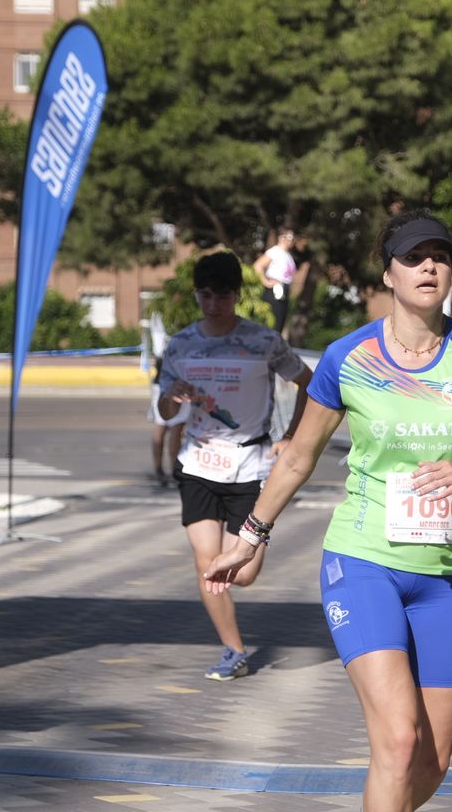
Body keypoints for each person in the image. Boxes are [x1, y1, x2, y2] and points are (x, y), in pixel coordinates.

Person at [204, 210, 452, 811]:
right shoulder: (348, 357)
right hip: (363, 563)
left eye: (439, 254)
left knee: (431, 762)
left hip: (443, 577)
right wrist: (250, 537)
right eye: (413, 256)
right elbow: (297, 458)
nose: (429, 265)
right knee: (397, 737)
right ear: (389, 274)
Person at [157, 251, 314, 681]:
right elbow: (164, 405)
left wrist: (291, 438)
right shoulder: (182, 344)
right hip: (199, 462)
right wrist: (174, 395)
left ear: (236, 295)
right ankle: (233, 650)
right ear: (197, 295)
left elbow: (309, 384)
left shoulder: (263, 342)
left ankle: (246, 570)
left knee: (242, 574)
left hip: (251, 466)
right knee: (207, 561)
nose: (213, 305)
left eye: (222, 296)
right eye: (205, 296)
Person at [147, 357, 188, 489]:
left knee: (161, 425)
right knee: (176, 426)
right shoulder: (185, 341)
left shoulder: (168, 344)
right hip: (177, 385)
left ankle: (158, 469)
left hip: (159, 382)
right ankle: (174, 471)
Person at [253, 229, 298, 333]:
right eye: (288, 238)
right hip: (274, 288)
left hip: (284, 289)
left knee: (280, 321)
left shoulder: (288, 255)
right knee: (273, 321)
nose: (290, 241)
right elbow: (258, 265)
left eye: (292, 239)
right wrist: (265, 282)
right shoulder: (275, 251)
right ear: (281, 238)